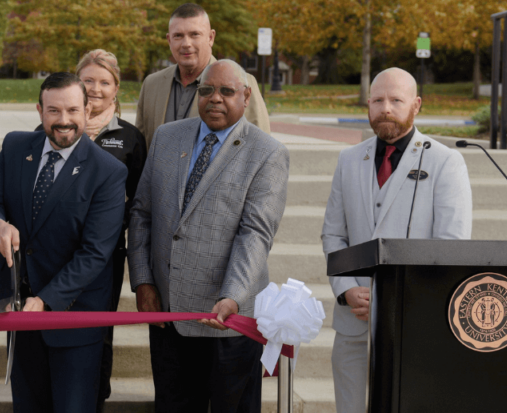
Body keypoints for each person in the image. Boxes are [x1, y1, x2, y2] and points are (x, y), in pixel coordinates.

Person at [128, 60, 289, 413]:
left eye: (227, 91)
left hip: (228, 322)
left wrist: (232, 296)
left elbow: (255, 234)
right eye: (206, 90)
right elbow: (141, 213)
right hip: (168, 316)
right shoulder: (168, 137)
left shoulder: (267, 153)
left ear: (246, 97)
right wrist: (142, 281)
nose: (215, 99)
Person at [322, 67, 472, 413]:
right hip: (352, 320)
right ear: (368, 105)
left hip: (413, 323)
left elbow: (451, 246)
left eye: (396, 100)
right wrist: (346, 289)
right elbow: (334, 233)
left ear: (416, 104)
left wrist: (394, 297)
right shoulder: (348, 160)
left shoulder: (447, 162)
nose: (385, 108)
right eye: (377, 100)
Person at [0, 72, 126, 413]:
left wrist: (45, 300)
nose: (64, 121)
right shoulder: (15, 146)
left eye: (73, 110)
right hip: (19, 312)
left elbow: (95, 253)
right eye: (54, 111)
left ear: (87, 110)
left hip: (74, 319)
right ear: (39, 110)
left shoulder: (108, 171)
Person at [33, 49, 146, 413]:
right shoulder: (48, 130)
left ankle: (93, 400)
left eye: (105, 82)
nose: (95, 88)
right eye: (88, 81)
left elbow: (141, 201)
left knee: (97, 333)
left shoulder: (130, 137)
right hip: (49, 253)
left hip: (102, 256)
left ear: (116, 89)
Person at [135, 3, 270, 146]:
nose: (186, 43)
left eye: (195, 34)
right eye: (178, 36)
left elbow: (261, 148)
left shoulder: (242, 83)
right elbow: (140, 151)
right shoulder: (151, 84)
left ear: (211, 38)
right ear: (169, 40)